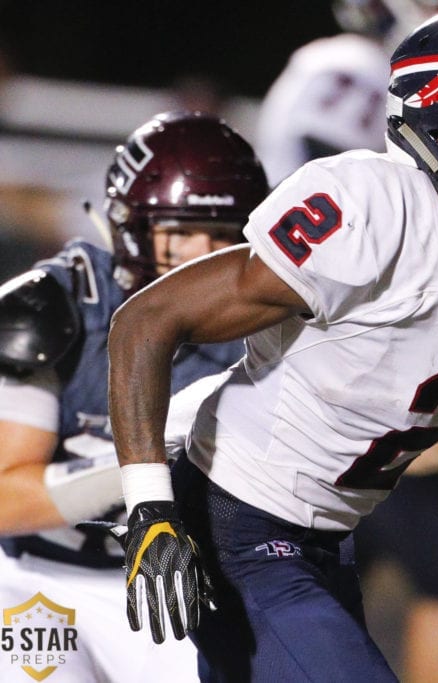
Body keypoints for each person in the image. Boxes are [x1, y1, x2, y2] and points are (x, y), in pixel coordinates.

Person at [101, 6, 438, 681]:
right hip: (238, 521)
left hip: (331, 536)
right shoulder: (371, 206)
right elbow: (146, 320)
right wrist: (151, 509)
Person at [256, 10, 438, 679]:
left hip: (345, 339)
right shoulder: (355, 67)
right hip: (332, 343)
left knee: (352, 553)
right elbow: (327, 188)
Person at [0, 111, 268, 682]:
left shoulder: (266, 322)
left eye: (224, 235)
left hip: (179, 592)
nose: (203, 255)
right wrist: (144, 456)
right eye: (181, 232)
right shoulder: (64, 306)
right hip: (41, 580)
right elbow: (4, 499)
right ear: (130, 228)